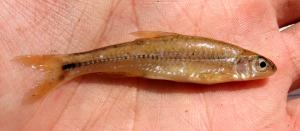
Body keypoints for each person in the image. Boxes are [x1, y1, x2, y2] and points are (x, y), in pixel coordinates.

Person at [1, 0, 300, 130]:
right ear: (243, 62)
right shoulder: (227, 63)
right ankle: (69, 66)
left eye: (261, 65)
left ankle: (70, 66)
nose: (263, 70)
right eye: (260, 65)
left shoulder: (229, 63)